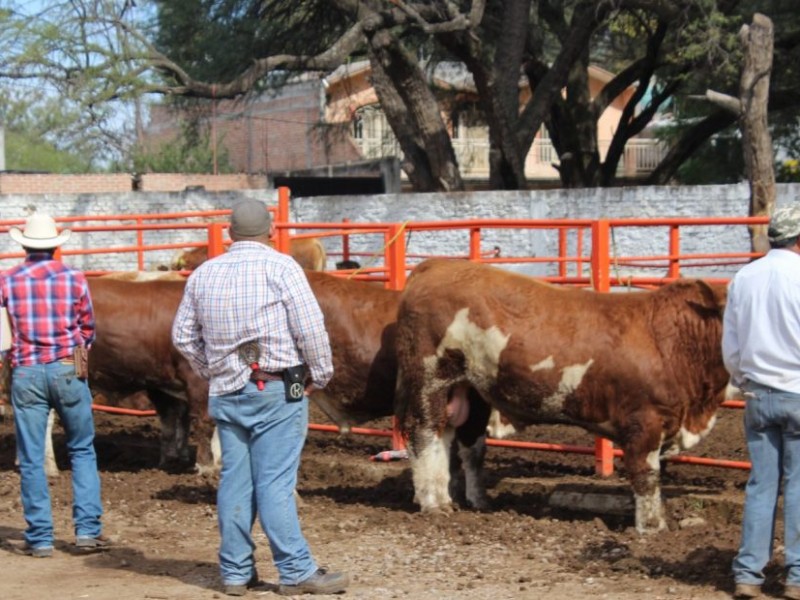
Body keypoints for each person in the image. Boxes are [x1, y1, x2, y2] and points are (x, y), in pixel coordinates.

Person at [172, 199, 349, 597]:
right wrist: (317, 375)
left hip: (228, 390)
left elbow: (182, 335)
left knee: (236, 479)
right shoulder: (282, 267)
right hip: (278, 386)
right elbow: (310, 328)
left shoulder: (204, 273)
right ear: (270, 231)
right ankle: (296, 571)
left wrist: (211, 369)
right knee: (275, 481)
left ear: (230, 233)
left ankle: (235, 572)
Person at [0, 212, 107, 558]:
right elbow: (88, 326)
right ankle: (87, 531)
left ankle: (41, 536)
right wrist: (77, 352)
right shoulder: (74, 278)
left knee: (31, 457)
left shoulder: (7, 280)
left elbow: (2, 336)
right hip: (66, 369)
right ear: (55, 245)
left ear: (25, 245)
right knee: (81, 449)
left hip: (27, 371)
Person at [723, 203, 800, 600]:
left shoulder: (744, 277)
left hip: (758, 393)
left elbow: (731, 346)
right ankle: (797, 577)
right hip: (798, 390)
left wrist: (742, 380)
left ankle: (749, 574)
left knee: (761, 485)